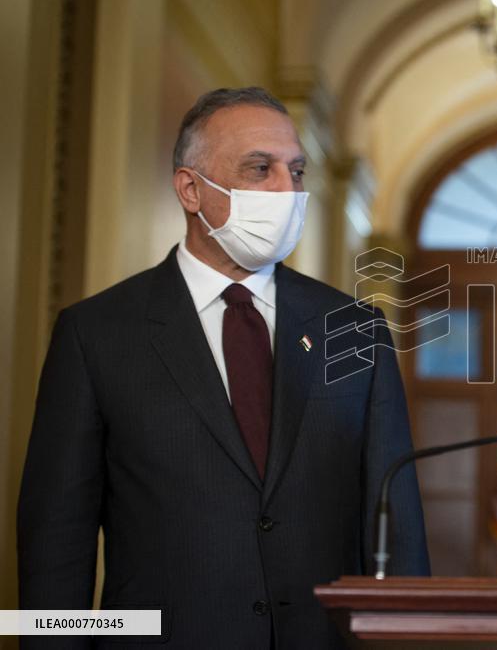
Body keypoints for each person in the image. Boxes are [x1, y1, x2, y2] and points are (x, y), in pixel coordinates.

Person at [17, 87, 429, 649]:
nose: (287, 190)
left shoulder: (355, 328)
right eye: (261, 169)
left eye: (297, 171)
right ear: (191, 189)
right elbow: (56, 546)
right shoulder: (95, 335)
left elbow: (398, 529)